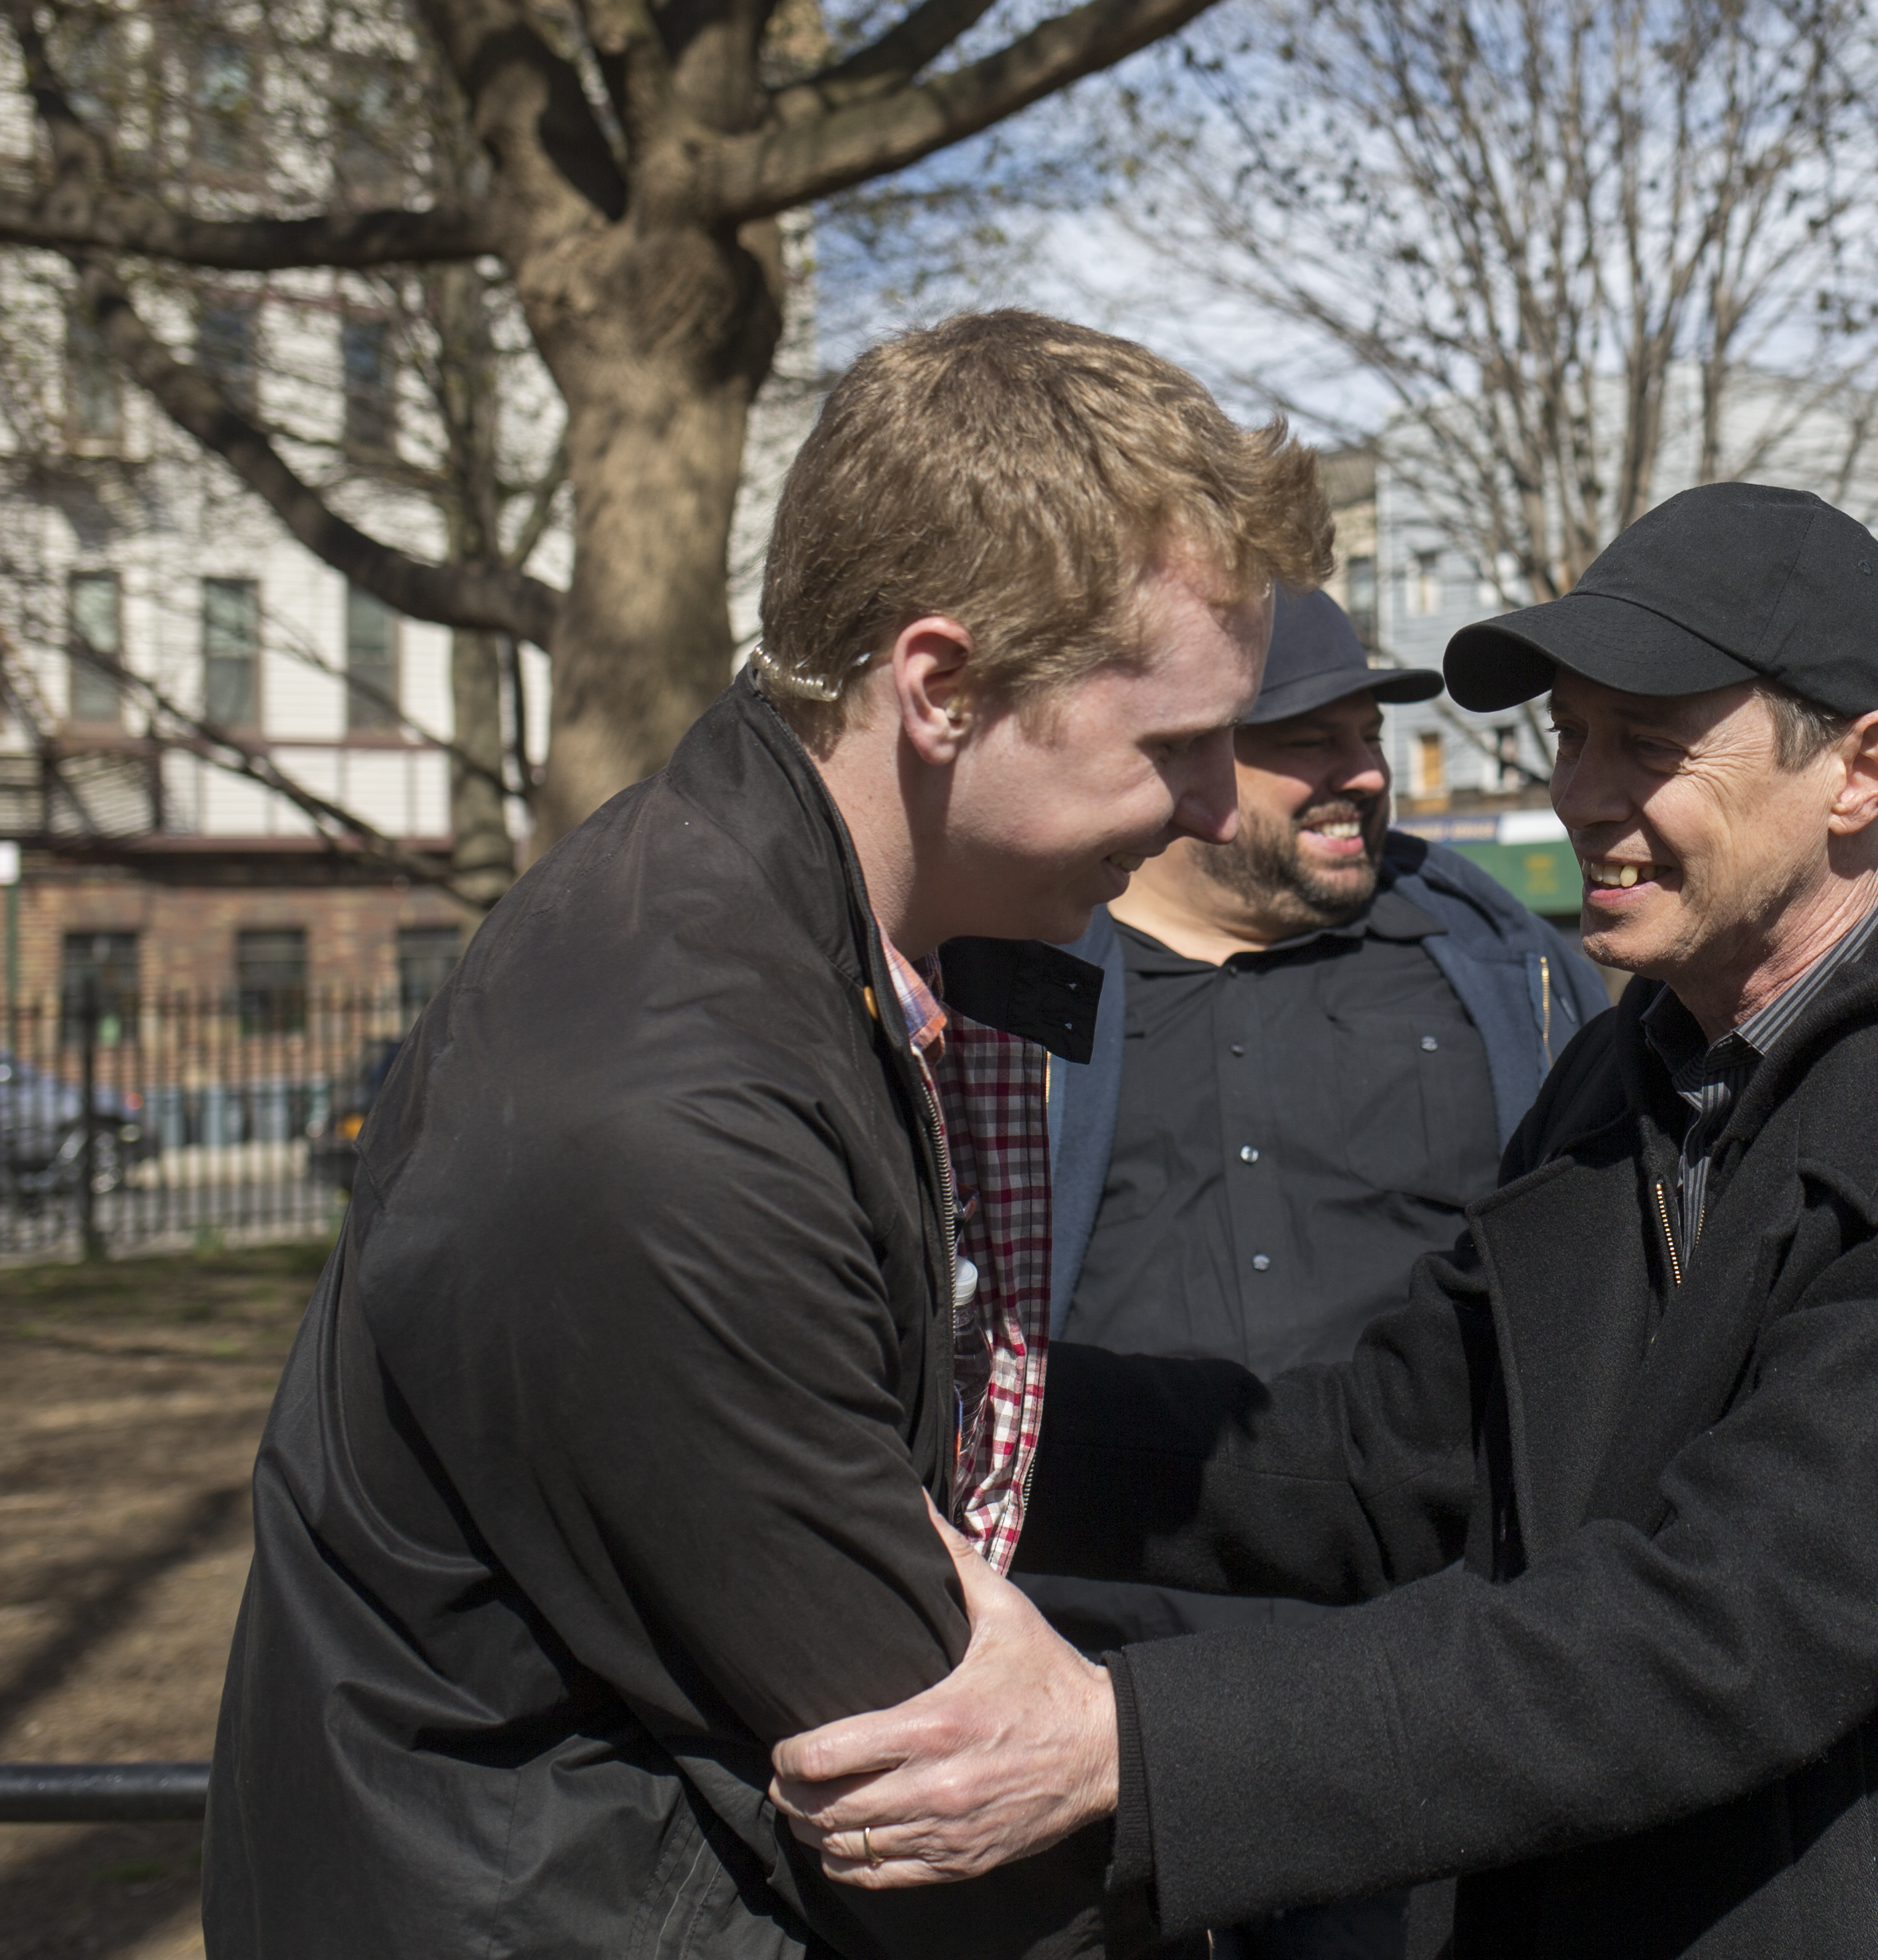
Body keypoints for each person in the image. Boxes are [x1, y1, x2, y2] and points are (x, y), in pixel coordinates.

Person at [770, 480, 1878, 1960]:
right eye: (1570, 735)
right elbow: (1374, 1462)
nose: (1584, 791)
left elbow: (1730, 1631)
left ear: (1862, 767)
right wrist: (922, 1409)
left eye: (1647, 743)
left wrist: (1130, 1744)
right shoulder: (1623, 1071)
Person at [203, 312, 1329, 1959]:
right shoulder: (672, 1113)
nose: (1228, 806)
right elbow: (935, 1780)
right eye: (1177, 744)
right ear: (939, 686)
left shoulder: (816, 947)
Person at [1023, 582, 1607, 1960]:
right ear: (1181, 756)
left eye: (1370, 733)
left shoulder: (1497, 970)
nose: (1362, 774)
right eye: (1306, 739)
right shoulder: (1018, 984)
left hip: (1410, 1713)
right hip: (1086, 1708)